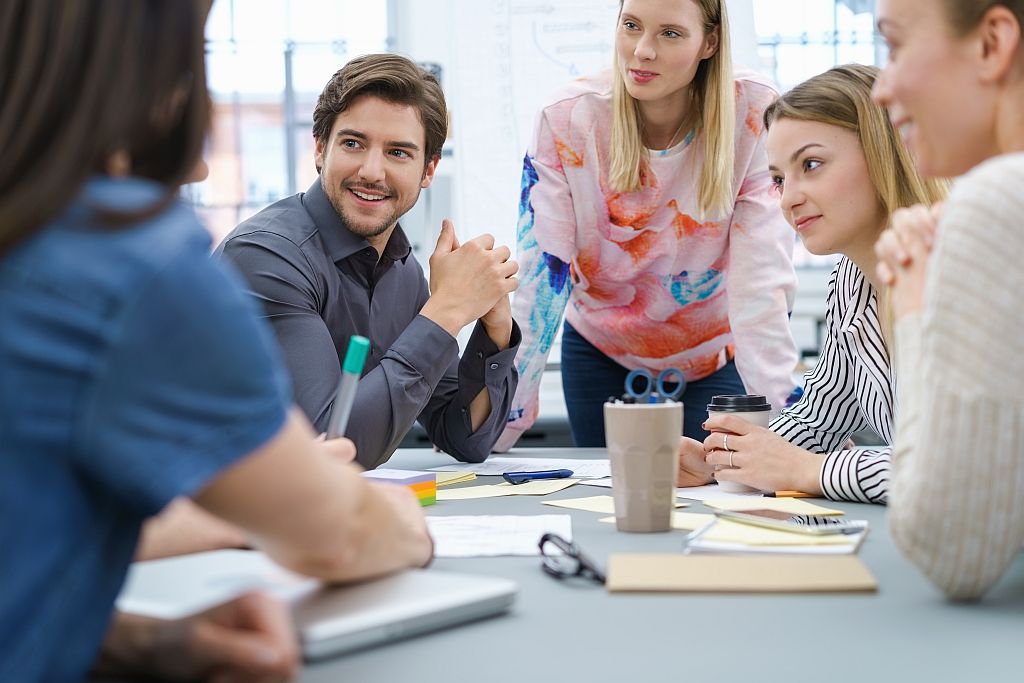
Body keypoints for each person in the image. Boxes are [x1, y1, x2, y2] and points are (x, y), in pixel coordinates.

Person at [0, 2, 433, 681]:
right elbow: (339, 536)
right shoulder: (135, 261)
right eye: (194, 61)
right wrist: (399, 521)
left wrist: (136, 643)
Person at [496, 0, 798, 450]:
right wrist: (502, 420)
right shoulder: (567, 117)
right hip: (600, 347)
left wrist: (791, 430)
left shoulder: (753, 110)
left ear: (710, 42)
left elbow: (760, 280)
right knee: (606, 490)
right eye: (631, 26)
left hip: (716, 354)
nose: (642, 51)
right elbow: (543, 278)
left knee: (722, 487)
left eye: (670, 33)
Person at [217, 53, 520, 469]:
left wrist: (495, 330)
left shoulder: (403, 271)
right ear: (320, 148)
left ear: (428, 170)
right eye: (353, 144)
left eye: (398, 152)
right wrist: (448, 310)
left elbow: (464, 437)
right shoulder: (265, 257)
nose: (372, 171)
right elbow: (330, 452)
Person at [674, 64, 947, 502]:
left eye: (812, 164)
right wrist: (724, 463)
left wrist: (810, 470)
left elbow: (958, 467)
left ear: (885, 151)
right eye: (779, 179)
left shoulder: (963, 272)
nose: (788, 199)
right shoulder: (851, 280)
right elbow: (818, 419)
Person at [871, 0, 1024, 600]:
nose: (881, 89)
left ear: (992, 43)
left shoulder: (998, 199)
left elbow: (949, 546)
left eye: (894, 46)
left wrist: (915, 306)